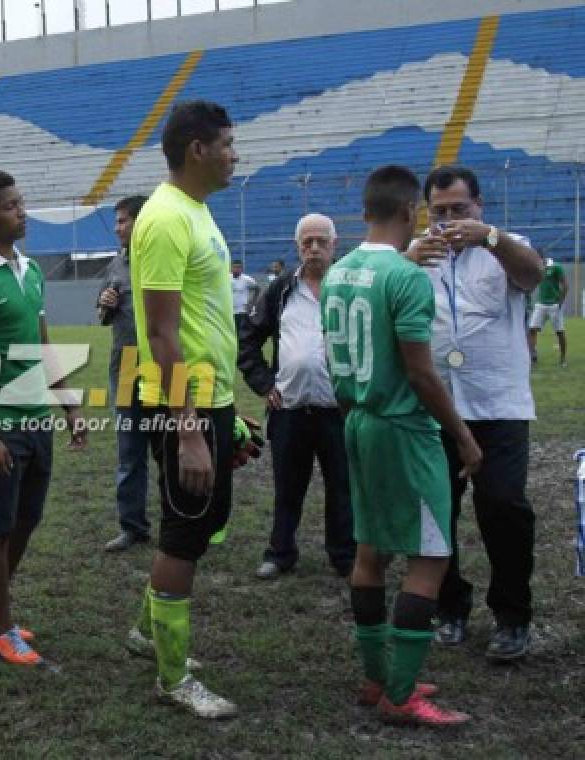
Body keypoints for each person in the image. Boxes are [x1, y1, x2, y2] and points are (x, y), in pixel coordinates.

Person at [323, 164, 483, 726]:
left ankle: (376, 678)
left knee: (370, 550)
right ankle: (402, 693)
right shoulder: (406, 276)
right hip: (403, 428)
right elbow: (419, 372)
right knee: (431, 554)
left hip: (358, 421)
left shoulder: (339, 272)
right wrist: (461, 436)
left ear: (364, 210)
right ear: (409, 210)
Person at [125, 101, 260, 718]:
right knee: (184, 532)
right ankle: (172, 677)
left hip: (209, 400)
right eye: (229, 143)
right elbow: (160, 334)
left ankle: (144, 631)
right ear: (198, 149)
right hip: (182, 407)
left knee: (201, 524)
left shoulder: (197, 211)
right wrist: (188, 430)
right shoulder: (164, 219)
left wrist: (226, 411)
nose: (235, 153)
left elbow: (205, 325)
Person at [0, 169, 86, 666]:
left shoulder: (29, 270)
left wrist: (67, 402)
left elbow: (41, 344)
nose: (22, 211)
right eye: (11, 206)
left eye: (21, 203)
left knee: (27, 519)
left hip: (36, 419)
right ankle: (2, 629)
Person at [406, 165, 545, 661]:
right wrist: (407, 258)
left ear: (479, 206)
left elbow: (533, 274)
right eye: (439, 211)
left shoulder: (505, 246)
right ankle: (450, 606)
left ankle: (511, 615)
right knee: (435, 513)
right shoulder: (419, 255)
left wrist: (491, 238)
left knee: (504, 507)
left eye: (459, 209)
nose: (449, 220)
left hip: (498, 407)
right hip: (435, 408)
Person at [238, 213, 354, 580]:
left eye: (321, 240)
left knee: (344, 485)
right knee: (288, 486)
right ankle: (280, 552)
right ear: (297, 246)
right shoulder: (281, 290)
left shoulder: (350, 285)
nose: (314, 248)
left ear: (335, 244)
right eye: (307, 242)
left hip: (340, 409)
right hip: (289, 408)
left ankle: (345, 555)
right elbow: (248, 340)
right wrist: (264, 383)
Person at [97, 194, 152, 553]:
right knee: (130, 451)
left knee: (174, 446)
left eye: (122, 220)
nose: (117, 228)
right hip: (127, 365)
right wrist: (105, 304)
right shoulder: (115, 265)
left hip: (165, 363)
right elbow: (103, 316)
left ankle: (187, 522)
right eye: (116, 221)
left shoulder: (164, 259)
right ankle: (133, 526)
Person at [527, 256, 567, 366]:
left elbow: (565, 284)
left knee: (559, 332)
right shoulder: (538, 268)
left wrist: (560, 302)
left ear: (543, 257)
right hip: (541, 304)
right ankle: (532, 356)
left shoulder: (556, 267)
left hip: (554, 304)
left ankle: (563, 359)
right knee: (532, 329)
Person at [230, 259, 256, 332]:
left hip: (242, 310)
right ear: (231, 268)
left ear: (242, 269)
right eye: (234, 267)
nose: (236, 269)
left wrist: (252, 303)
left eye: (238, 267)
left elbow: (257, 289)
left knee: (241, 332)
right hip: (229, 310)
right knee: (231, 332)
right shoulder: (226, 278)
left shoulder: (247, 279)